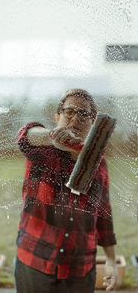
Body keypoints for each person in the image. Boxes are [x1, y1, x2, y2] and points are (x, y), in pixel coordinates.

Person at [14, 89, 118, 293]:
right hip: (35, 261)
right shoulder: (42, 151)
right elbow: (24, 136)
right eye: (69, 112)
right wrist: (50, 137)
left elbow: (104, 215)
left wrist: (111, 261)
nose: (76, 118)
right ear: (57, 117)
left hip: (80, 269)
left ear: (93, 124)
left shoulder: (98, 165)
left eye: (84, 114)